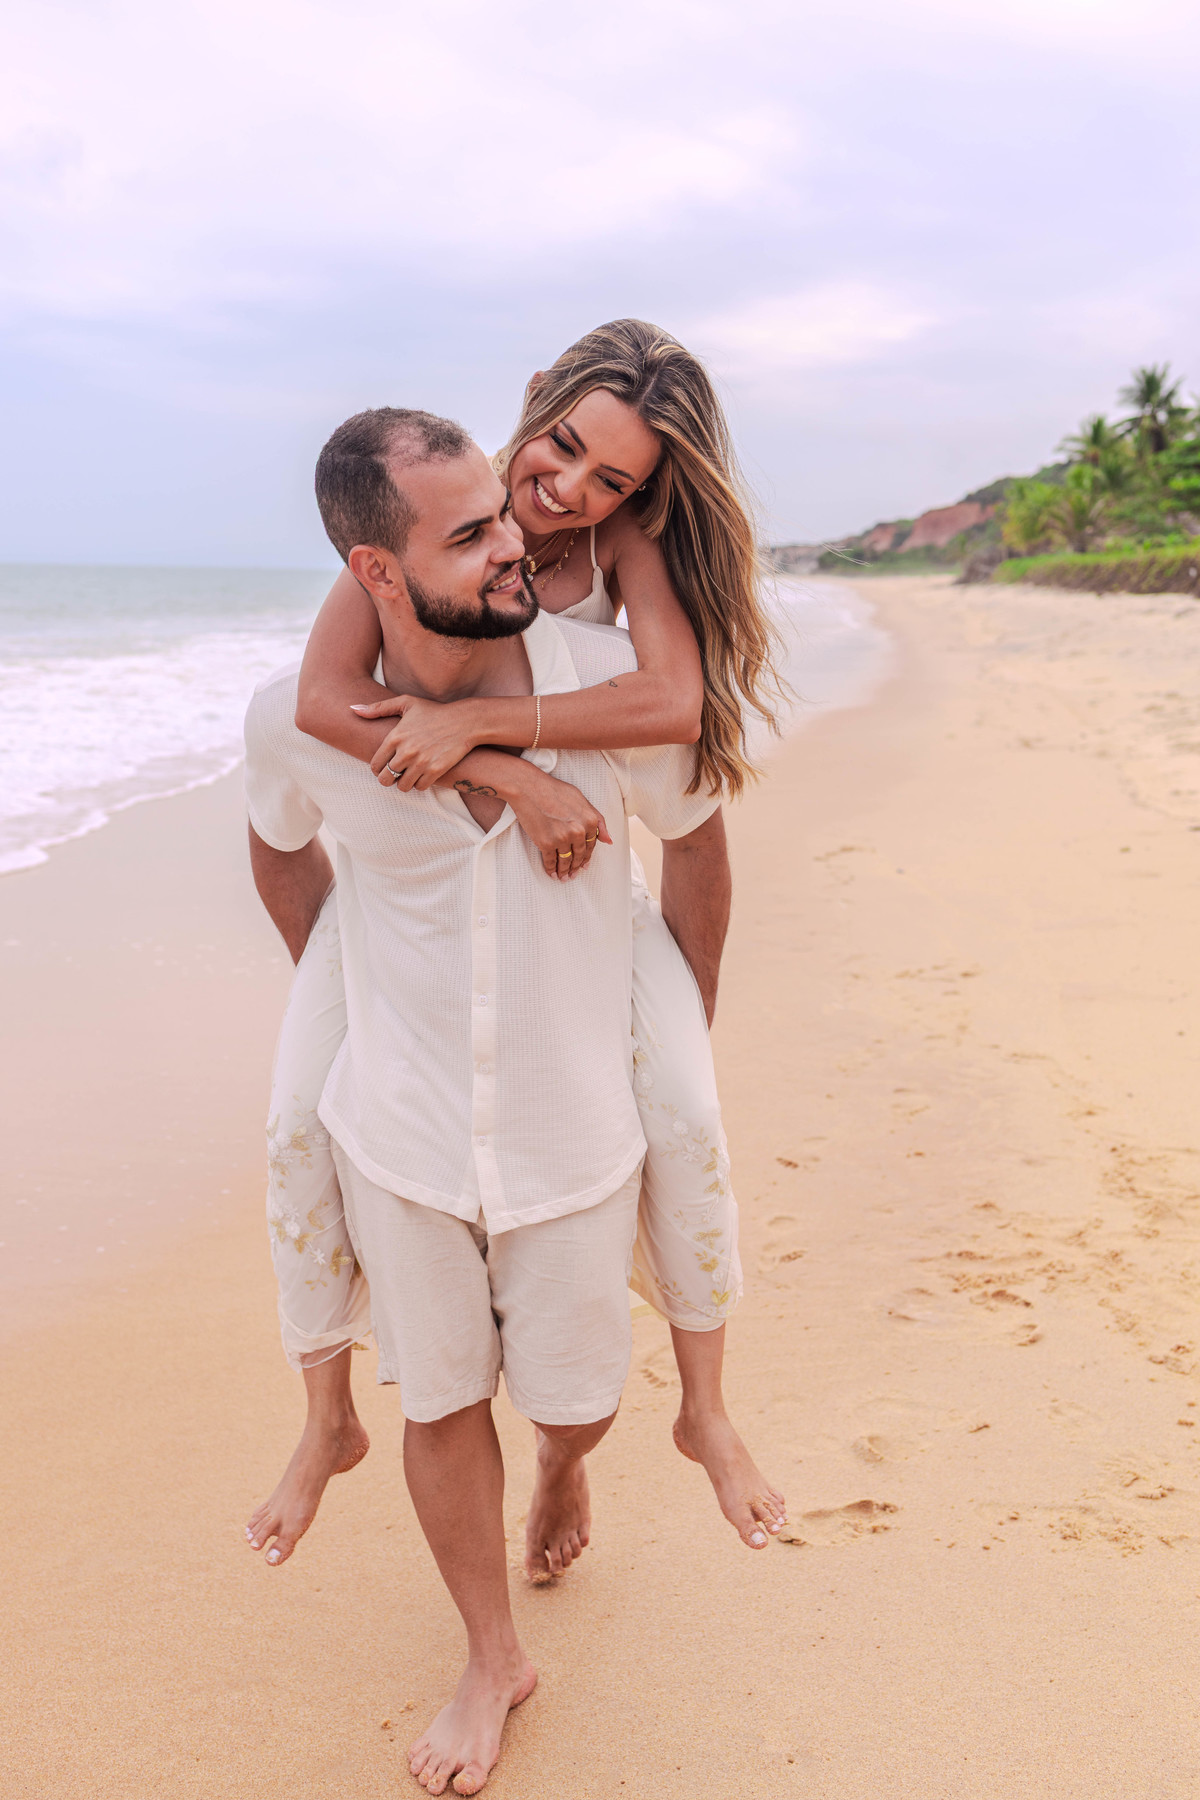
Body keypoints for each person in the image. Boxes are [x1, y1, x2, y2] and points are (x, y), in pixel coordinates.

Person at [244, 408, 765, 1796]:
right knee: (440, 1399)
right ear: (374, 570)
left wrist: (679, 1034)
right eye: (472, 532)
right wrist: (348, 989)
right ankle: (491, 1653)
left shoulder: (606, 681)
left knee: (576, 1399)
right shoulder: (304, 714)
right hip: (403, 1133)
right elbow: (280, 842)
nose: (523, 537)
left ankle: (571, 1469)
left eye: (510, 517)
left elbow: (701, 850)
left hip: (575, 1127)